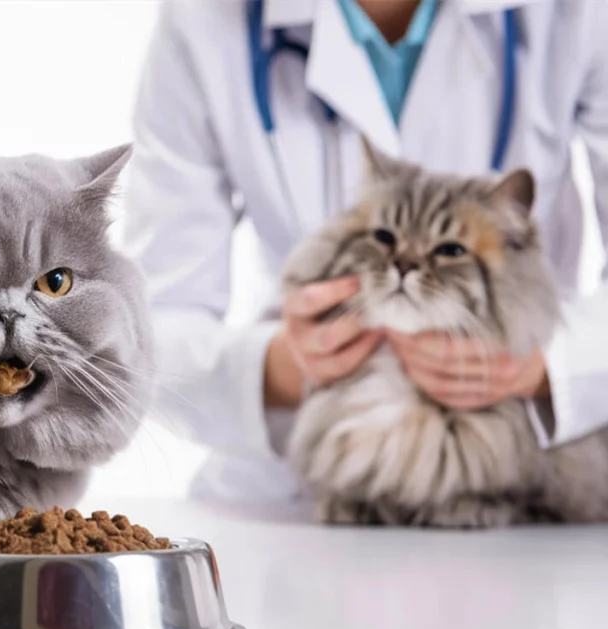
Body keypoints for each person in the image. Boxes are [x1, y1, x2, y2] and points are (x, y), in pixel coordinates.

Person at [120, 0, 608, 511]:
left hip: (518, 470)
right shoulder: (204, 20)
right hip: (289, 494)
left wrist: (546, 366)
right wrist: (275, 369)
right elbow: (147, 326)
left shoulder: (576, 13)